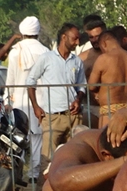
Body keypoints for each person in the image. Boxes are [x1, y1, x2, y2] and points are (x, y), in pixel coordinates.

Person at [26, 23, 86, 177]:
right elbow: (30, 81)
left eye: (78, 39)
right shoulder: (46, 58)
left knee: (75, 156)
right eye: (74, 39)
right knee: (48, 159)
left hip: (74, 116)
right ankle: (43, 190)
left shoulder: (77, 61)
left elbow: (81, 85)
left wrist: (78, 99)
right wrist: (35, 106)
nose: (77, 42)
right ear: (64, 37)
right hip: (53, 117)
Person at [4, 17, 49, 179]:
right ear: (37, 32)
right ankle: (33, 174)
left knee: (18, 139)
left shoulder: (15, 52)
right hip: (40, 101)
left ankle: (16, 174)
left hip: (19, 102)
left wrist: (6, 100)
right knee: (37, 140)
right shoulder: (45, 51)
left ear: (22, 32)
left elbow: (10, 79)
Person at [87, 26, 127, 120]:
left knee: (107, 130)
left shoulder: (103, 59)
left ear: (104, 44)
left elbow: (91, 86)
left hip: (110, 110)